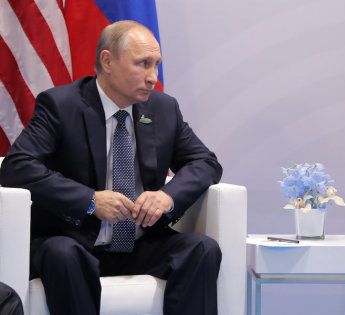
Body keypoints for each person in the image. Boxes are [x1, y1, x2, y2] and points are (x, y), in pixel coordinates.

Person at [0, 20, 223, 315]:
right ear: (107, 61)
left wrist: (167, 197)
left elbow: (205, 162)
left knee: (202, 249)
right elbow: (17, 167)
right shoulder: (61, 105)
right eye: (143, 64)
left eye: (156, 65)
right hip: (73, 241)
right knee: (62, 253)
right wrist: (89, 200)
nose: (153, 77)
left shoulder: (163, 109)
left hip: (140, 243)